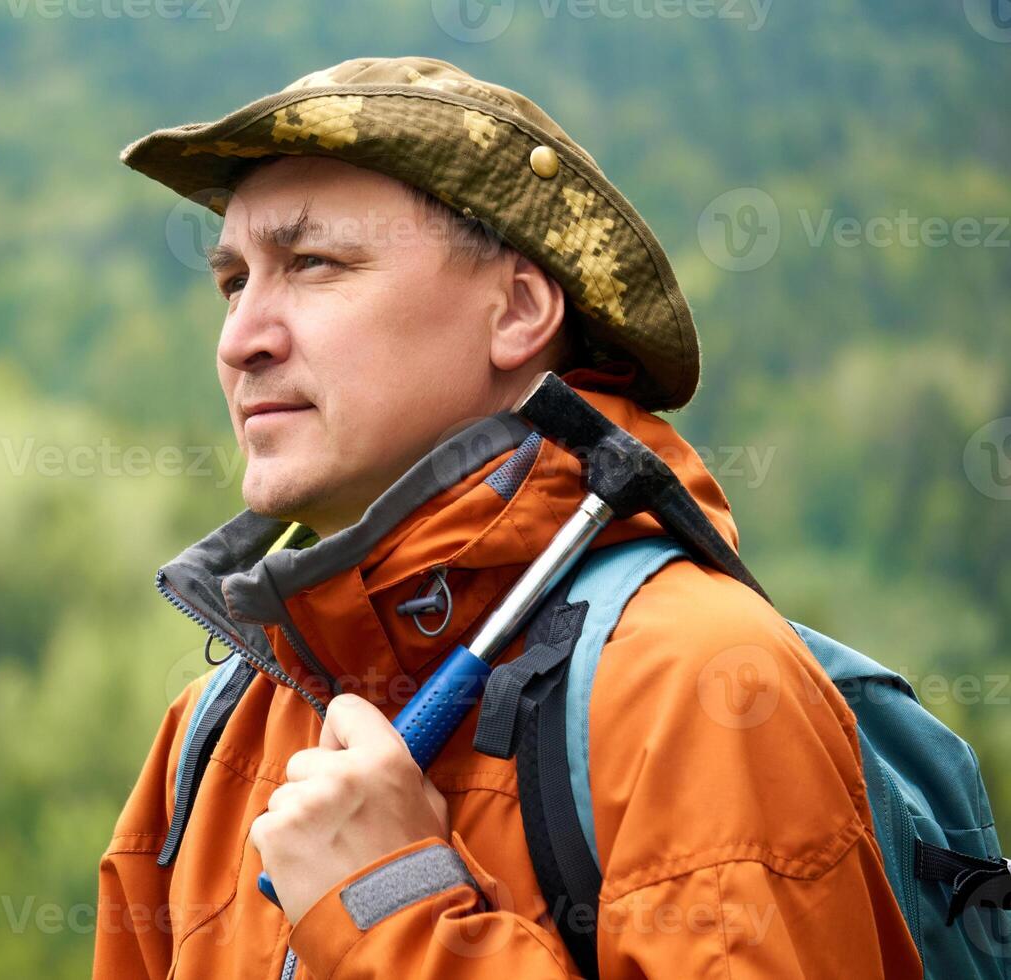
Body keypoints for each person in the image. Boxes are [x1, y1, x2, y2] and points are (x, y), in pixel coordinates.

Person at [95, 56, 921, 979]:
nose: (239, 337)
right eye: (235, 280)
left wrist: (388, 907)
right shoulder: (213, 731)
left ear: (518, 311)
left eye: (313, 264)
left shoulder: (702, 686)